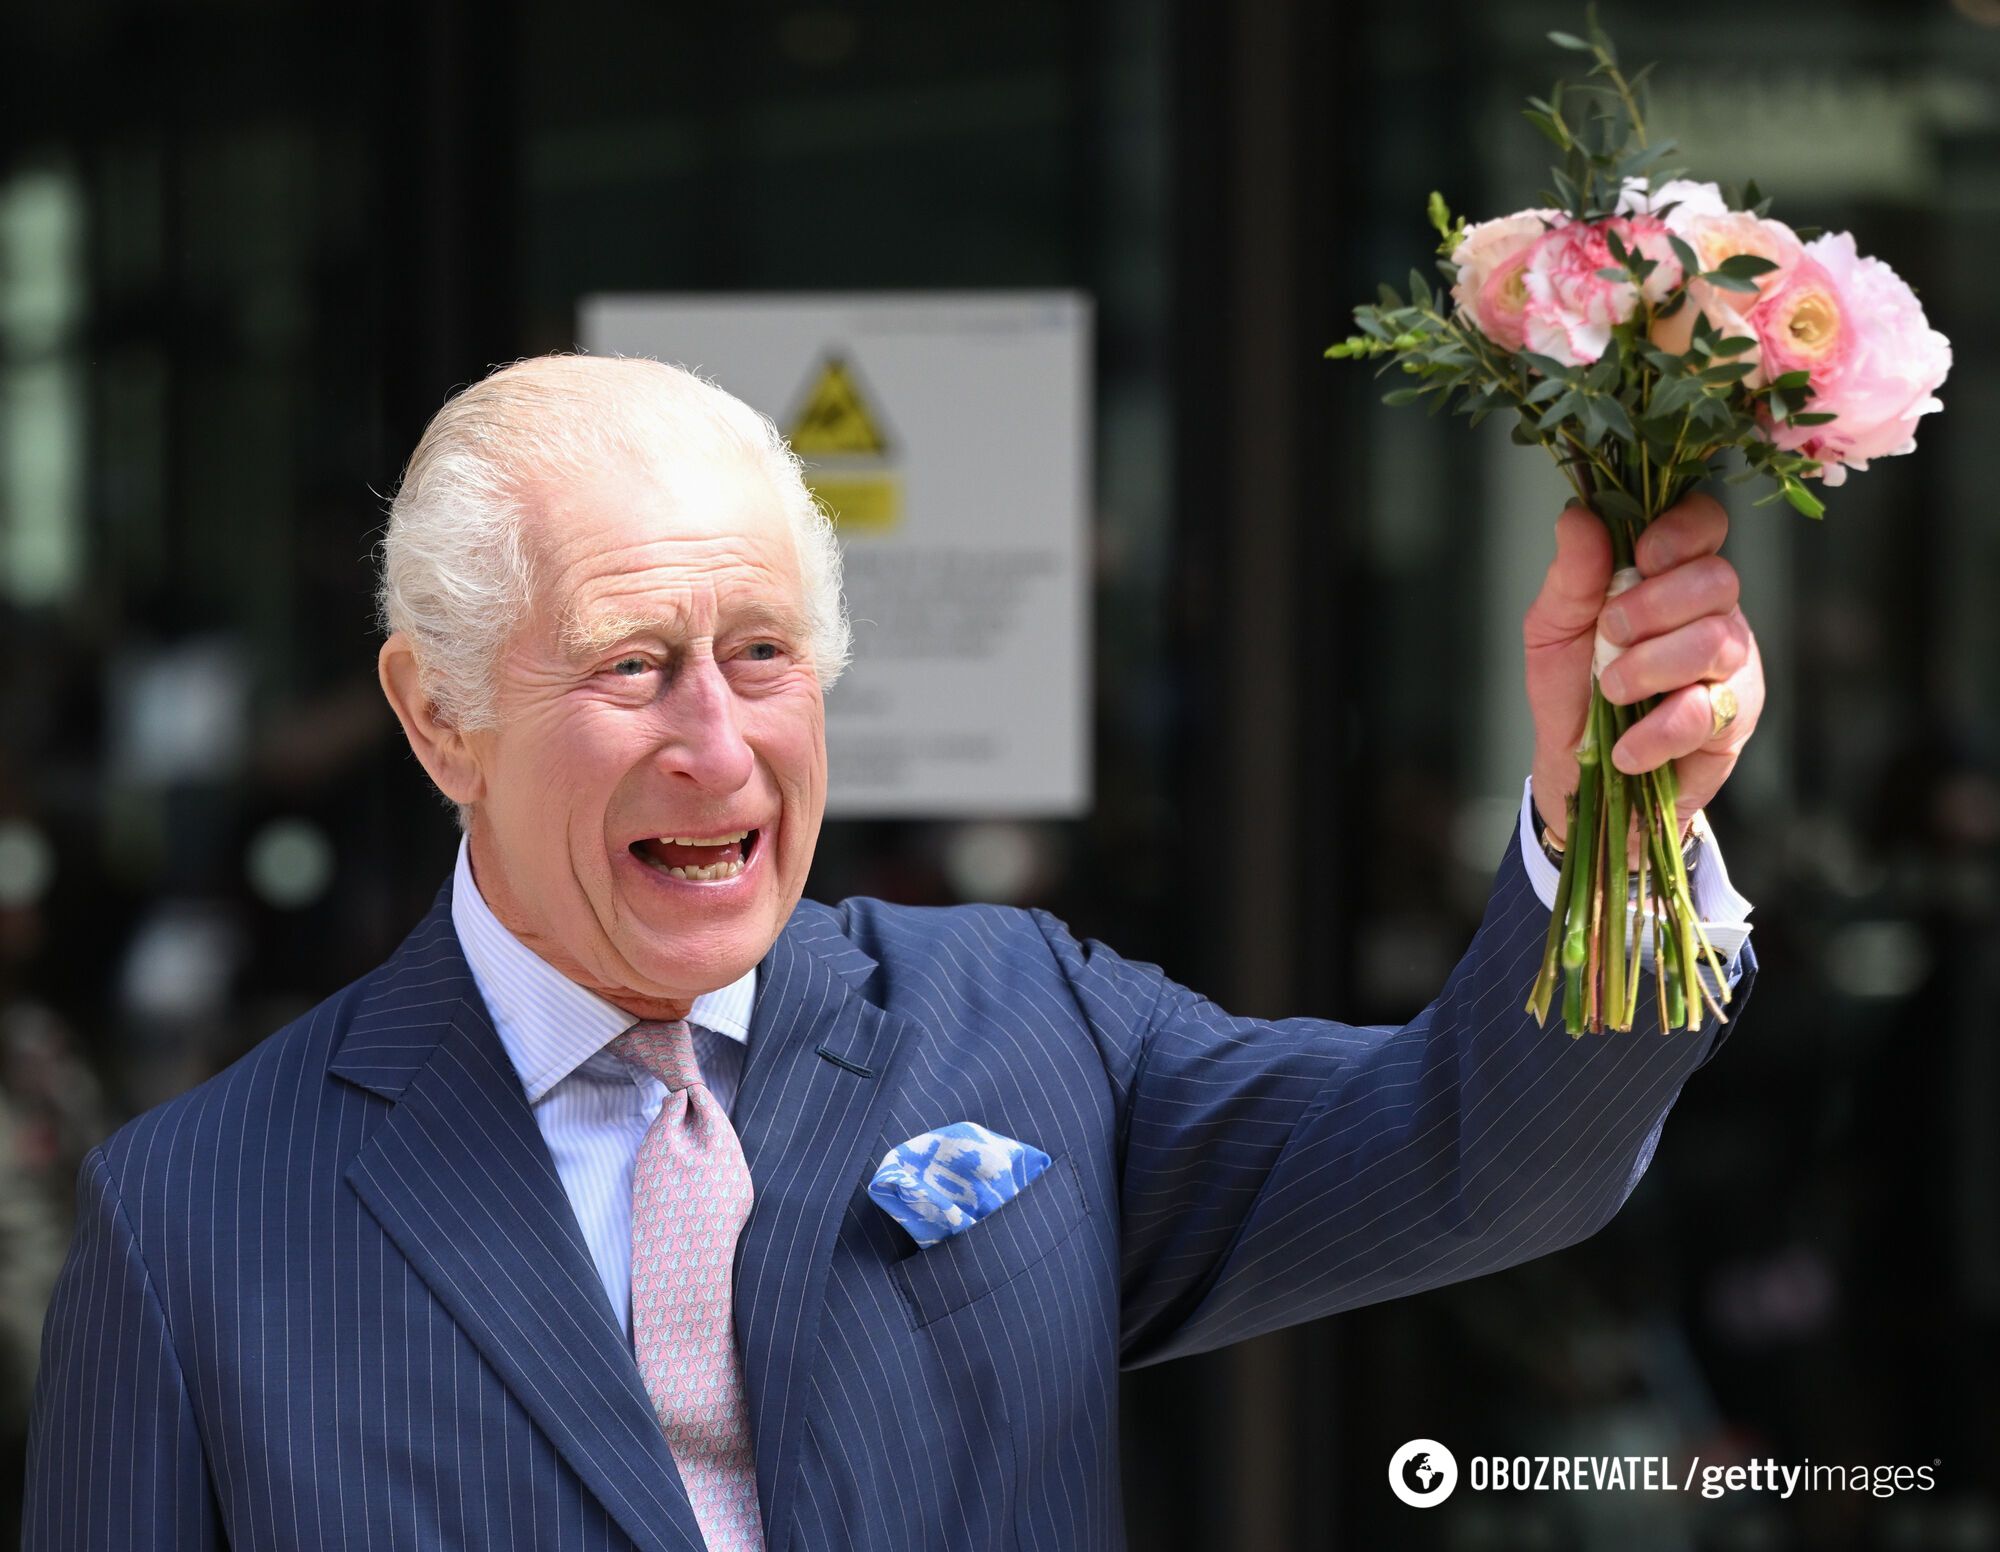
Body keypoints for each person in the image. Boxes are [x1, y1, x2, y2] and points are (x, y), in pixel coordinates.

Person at [22, 354, 1762, 1551]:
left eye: (763, 653)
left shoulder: (1025, 1026)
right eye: (631, 665)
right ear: (440, 717)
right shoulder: (196, 1219)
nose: (718, 747)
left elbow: (1490, 1154)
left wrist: (1619, 815)